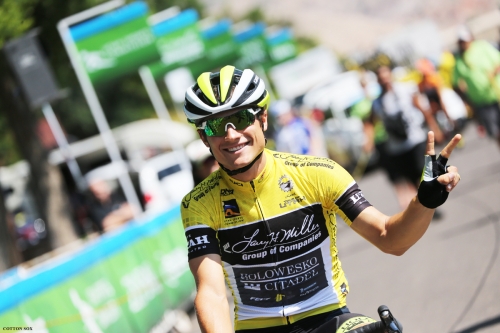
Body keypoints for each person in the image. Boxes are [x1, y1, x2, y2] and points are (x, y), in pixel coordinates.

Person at [180, 65, 462, 332]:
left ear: (262, 118)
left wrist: (424, 201)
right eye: (215, 125)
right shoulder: (199, 204)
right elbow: (212, 293)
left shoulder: (317, 174)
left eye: (240, 118)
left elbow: (390, 237)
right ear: (204, 137)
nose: (230, 135)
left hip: (326, 319)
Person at [366, 66, 436, 210]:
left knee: (421, 170)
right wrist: (369, 141)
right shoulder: (377, 102)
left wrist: (434, 127)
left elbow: (421, 108)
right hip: (396, 146)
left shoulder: (406, 90)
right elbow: (371, 122)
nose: (384, 80)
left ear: (390, 75)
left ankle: (431, 199)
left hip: (414, 138)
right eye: (381, 78)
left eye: (386, 76)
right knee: (411, 177)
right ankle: (426, 203)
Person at [453, 25, 500, 148]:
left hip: (497, 94)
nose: (463, 44)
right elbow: (456, 82)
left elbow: (498, 61)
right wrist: (466, 99)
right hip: (481, 102)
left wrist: (493, 72)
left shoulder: (482, 47)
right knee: (496, 132)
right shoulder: (459, 59)